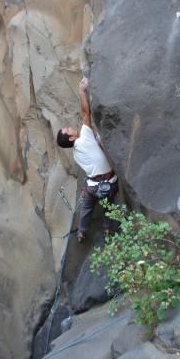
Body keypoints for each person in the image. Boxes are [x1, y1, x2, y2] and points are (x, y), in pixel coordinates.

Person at [56, 77, 119, 243]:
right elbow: (86, 113)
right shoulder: (84, 139)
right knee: (108, 206)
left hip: (92, 186)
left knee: (87, 207)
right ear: (70, 138)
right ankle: (107, 229)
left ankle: (82, 232)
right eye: (68, 129)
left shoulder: (76, 152)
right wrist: (82, 91)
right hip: (108, 183)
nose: (70, 127)